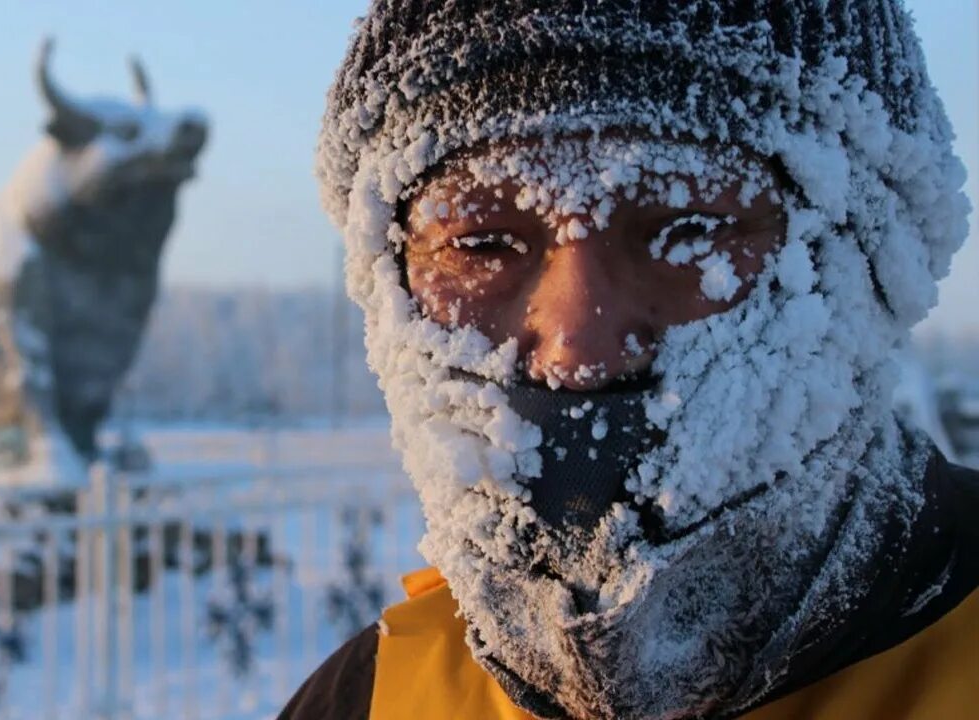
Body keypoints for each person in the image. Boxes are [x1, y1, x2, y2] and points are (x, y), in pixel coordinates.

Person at [283, 1, 978, 718]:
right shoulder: (371, 696)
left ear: (867, 264)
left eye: (692, 229)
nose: (577, 349)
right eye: (481, 245)